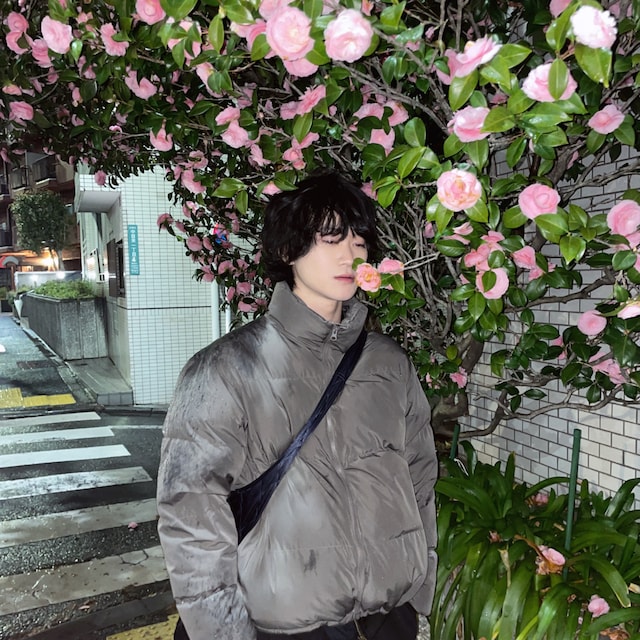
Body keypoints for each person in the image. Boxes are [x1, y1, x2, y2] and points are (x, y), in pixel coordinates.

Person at [156, 170, 439, 640]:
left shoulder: (389, 364)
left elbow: (420, 478)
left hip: (389, 620)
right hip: (284, 628)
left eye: (359, 241)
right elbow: (192, 517)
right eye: (331, 239)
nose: (350, 255)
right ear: (288, 250)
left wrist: (419, 590)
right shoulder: (225, 369)